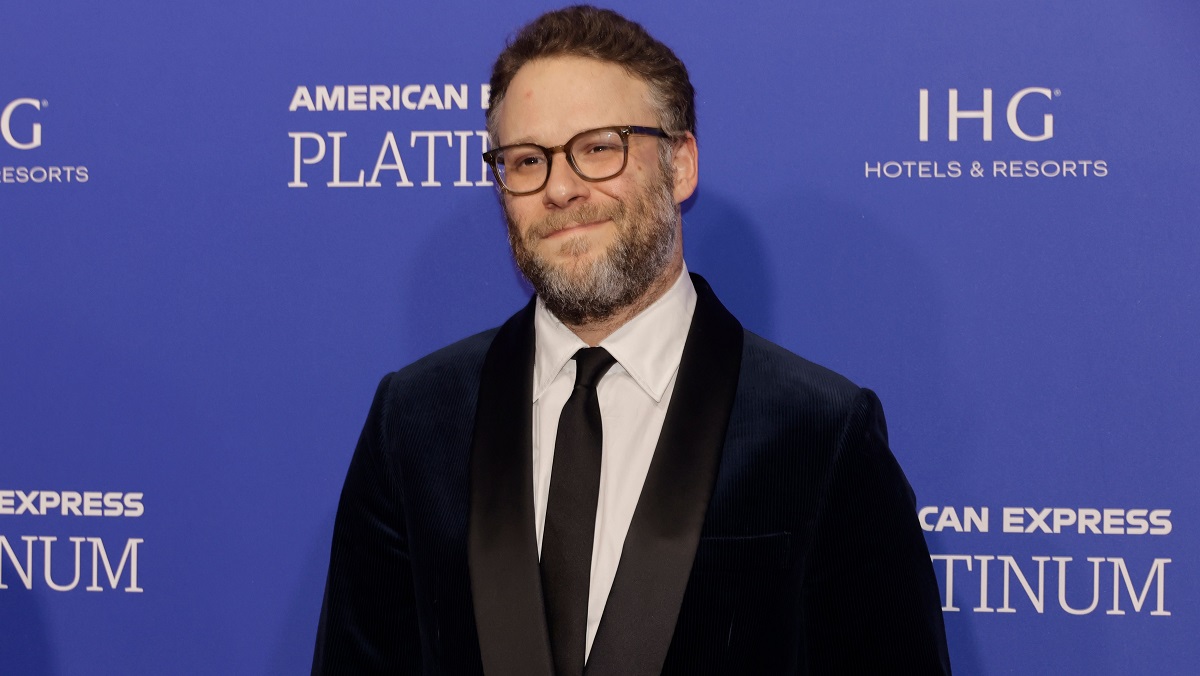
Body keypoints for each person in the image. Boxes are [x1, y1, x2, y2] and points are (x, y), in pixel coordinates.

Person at [312, 6, 951, 675]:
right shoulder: (413, 420)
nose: (560, 188)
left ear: (680, 165)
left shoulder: (819, 431)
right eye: (527, 160)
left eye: (598, 148)